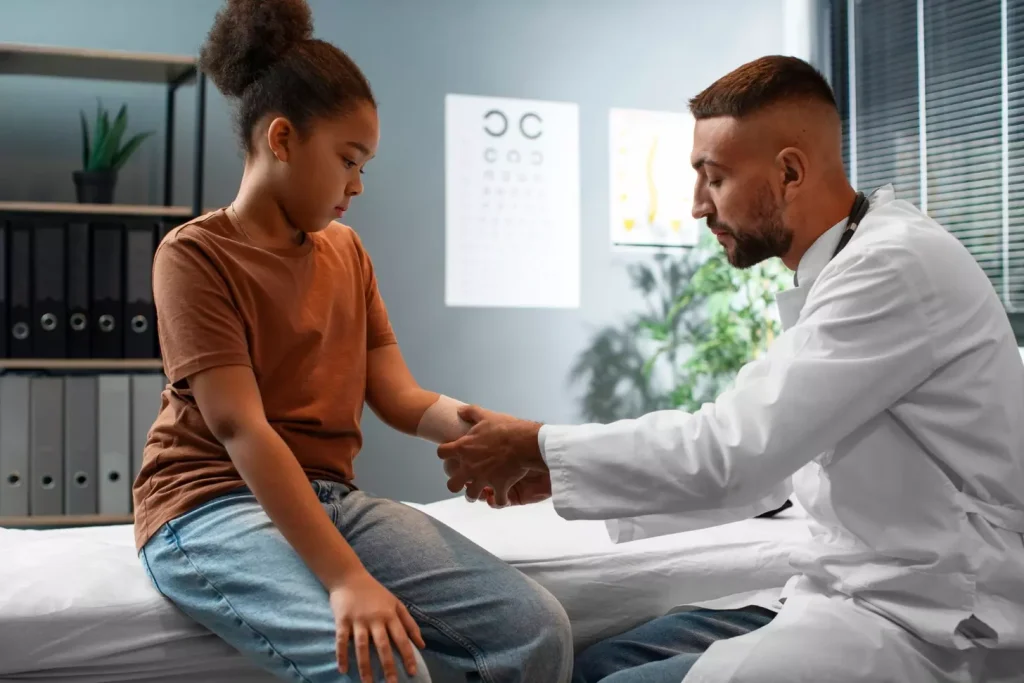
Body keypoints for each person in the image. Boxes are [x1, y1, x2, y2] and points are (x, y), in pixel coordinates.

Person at [439, 55, 1024, 683]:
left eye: (712, 178)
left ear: (790, 172)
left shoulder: (893, 268)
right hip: (852, 589)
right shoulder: (845, 266)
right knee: (599, 661)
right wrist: (560, 475)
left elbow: (733, 451)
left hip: (935, 620)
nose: (696, 205)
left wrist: (539, 444)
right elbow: (773, 474)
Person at [131, 2, 574, 682]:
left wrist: (496, 437)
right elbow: (241, 427)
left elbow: (399, 396)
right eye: (348, 159)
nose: (357, 185)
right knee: (385, 669)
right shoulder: (193, 255)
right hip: (209, 505)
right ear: (281, 139)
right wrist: (345, 579)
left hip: (327, 494)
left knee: (537, 629)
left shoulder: (347, 252)